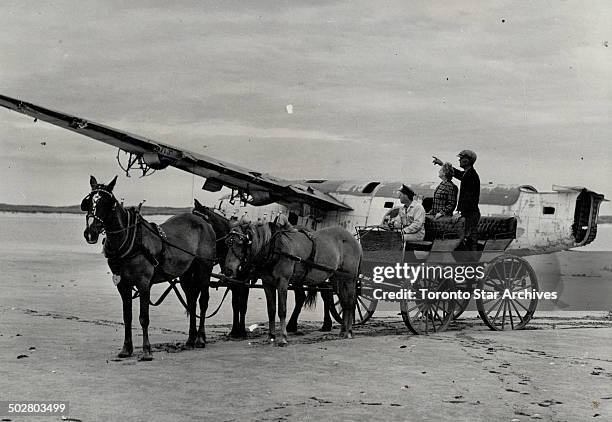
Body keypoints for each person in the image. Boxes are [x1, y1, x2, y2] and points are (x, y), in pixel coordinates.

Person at [432, 150, 480, 250]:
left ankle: (473, 264)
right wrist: (442, 164)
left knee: (469, 241)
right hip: (470, 214)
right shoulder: (468, 174)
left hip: (470, 215)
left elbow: (470, 198)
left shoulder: (471, 176)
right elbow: (456, 173)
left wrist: (461, 213)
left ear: (467, 161)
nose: (459, 160)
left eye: (461, 158)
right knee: (466, 241)